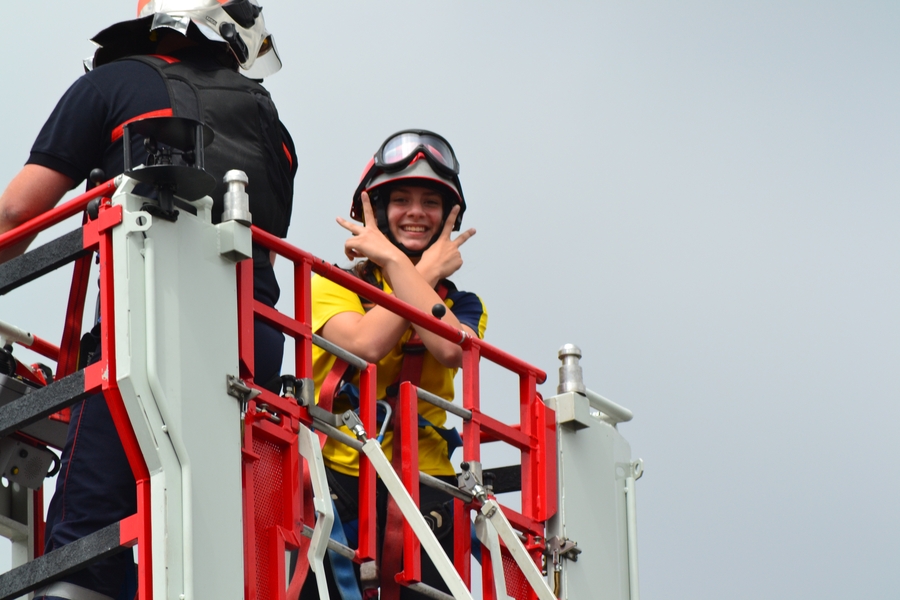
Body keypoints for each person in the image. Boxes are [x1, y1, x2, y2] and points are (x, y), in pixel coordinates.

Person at [0, 1, 296, 598]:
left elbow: (16, 214)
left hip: (151, 322)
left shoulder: (113, 82)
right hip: (255, 339)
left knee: (84, 545)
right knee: (214, 529)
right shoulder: (267, 117)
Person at [300, 130, 486, 599]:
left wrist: (402, 267)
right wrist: (421, 270)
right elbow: (366, 343)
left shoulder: (465, 305)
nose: (417, 213)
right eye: (401, 199)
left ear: (448, 217)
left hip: (429, 485)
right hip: (338, 475)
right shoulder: (332, 284)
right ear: (378, 213)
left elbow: (451, 350)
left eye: (430, 202)